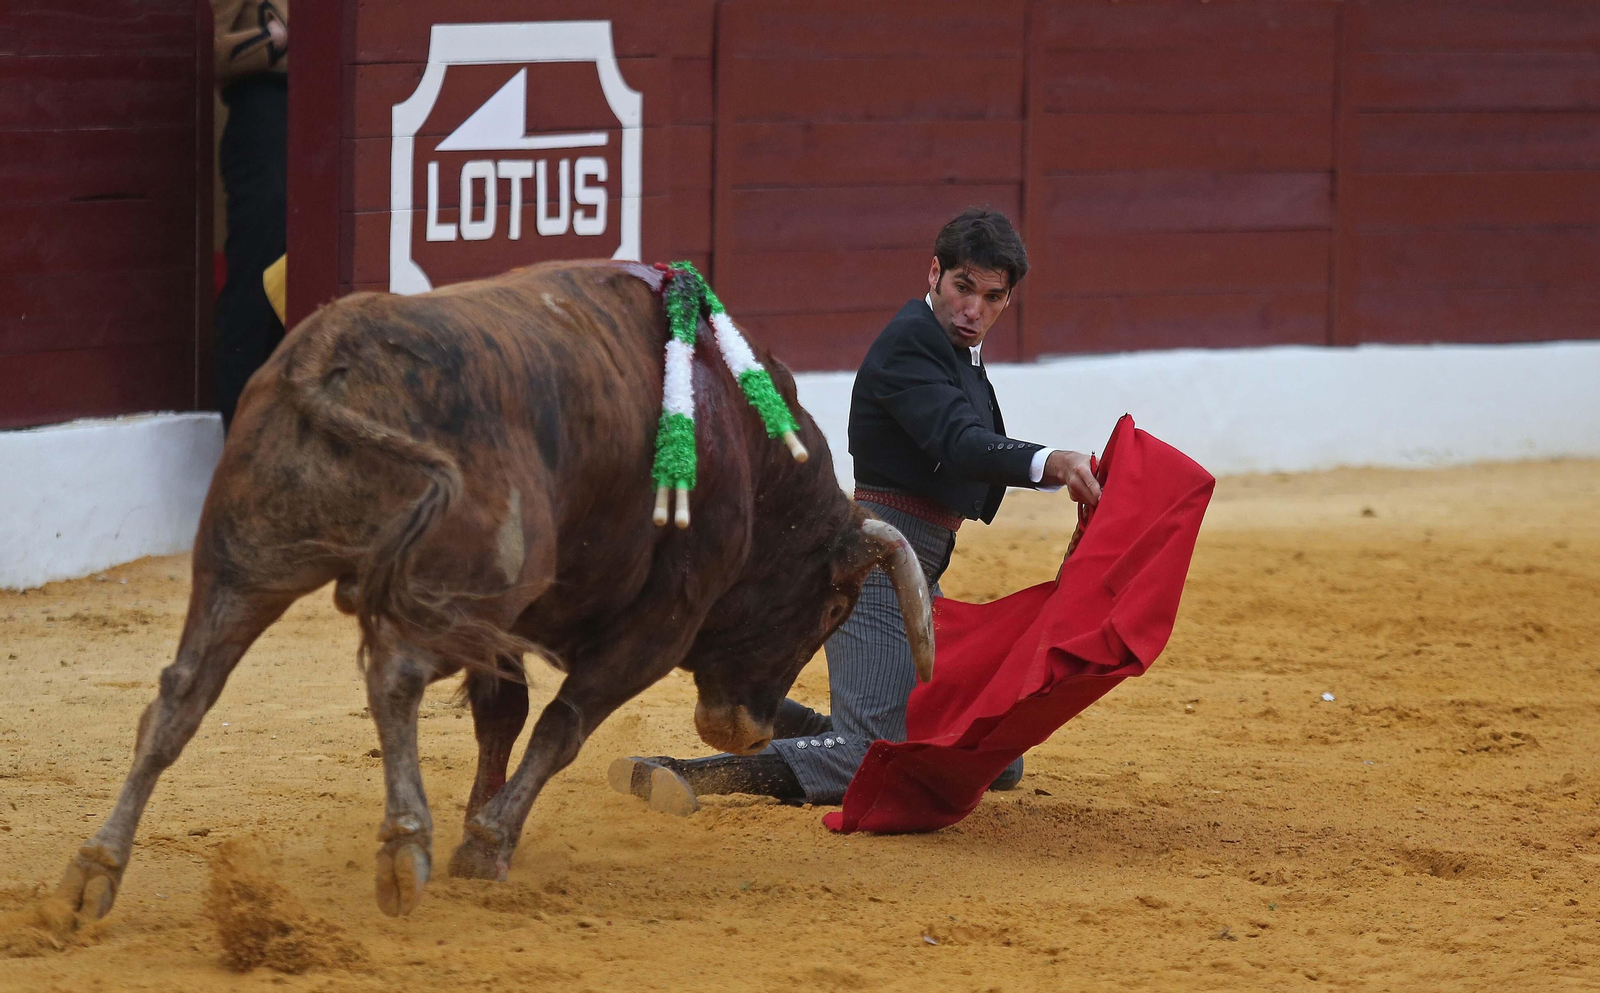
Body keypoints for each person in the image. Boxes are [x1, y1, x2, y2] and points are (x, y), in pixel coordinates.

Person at [610, 208, 1102, 814]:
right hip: (872, 565)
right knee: (870, 755)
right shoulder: (910, 344)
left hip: (917, 569)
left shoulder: (953, 352)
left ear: (1008, 299)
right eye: (963, 288)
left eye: (992, 297)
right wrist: (1053, 462)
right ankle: (683, 773)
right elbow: (960, 443)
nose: (973, 310)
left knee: (985, 753)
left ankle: (778, 716)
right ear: (935, 273)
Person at [212, 0, 289, 429]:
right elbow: (205, 51)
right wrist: (271, 41)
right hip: (262, 113)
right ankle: (240, 434)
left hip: (321, 112)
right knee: (256, 285)